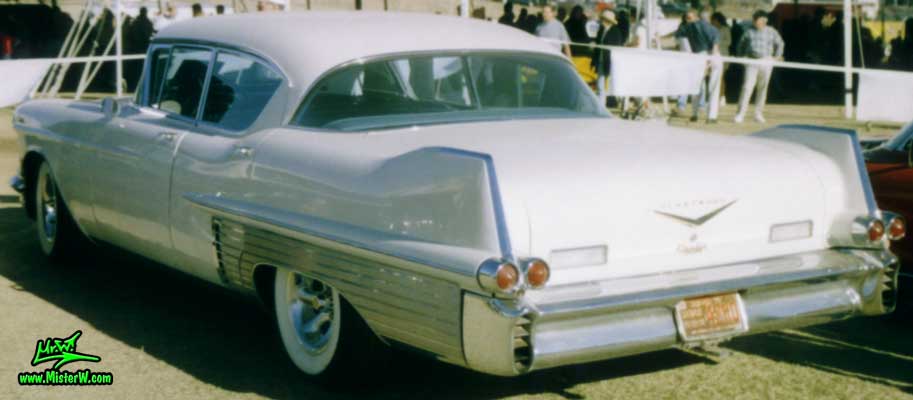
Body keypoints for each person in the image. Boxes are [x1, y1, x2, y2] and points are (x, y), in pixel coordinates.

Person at [734, 10, 784, 123]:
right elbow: (740, 45)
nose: (756, 22)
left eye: (758, 20)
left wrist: (777, 56)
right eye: (755, 20)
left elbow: (780, 43)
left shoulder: (772, 31)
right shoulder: (748, 31)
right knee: (747, 87)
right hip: (751, 61)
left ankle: (758, 114)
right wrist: (742, 57)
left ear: (764, 20)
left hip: (766, 61)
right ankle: (740, 114)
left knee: (762, 88)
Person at [677, 8, 722, 122]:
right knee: (702, 85)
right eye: (686, 18)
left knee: (705, 86)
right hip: (705, 55)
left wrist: (710, 59)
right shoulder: (688, 27)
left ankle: (704, 115)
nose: (687, 20)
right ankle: (703, 115)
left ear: (697, 17)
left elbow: (715, 40)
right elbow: (715, 41)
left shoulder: (695, 26)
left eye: (689, 18)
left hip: (708, 55)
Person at [592, 10, 623, 108]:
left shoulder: (616, 32)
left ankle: (611, 102)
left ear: (608, 21)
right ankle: (600, 106)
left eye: (603, 19)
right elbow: (598, 44)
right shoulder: (601, 30)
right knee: (600, 85)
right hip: (601, 60)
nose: (601, 21)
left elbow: (616, 47)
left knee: (611, 84)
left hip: (610, 62)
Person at [710, 12, 730, 105]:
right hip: (712, 55)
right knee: (712, 77)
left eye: (714, 20)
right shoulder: (710, 29)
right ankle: (712, 97)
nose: (712, 22)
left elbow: (729, 41)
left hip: (723, 55)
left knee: (721, 77)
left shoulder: (726, 29)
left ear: (718, 20)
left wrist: (717, 43)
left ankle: (722, 96)